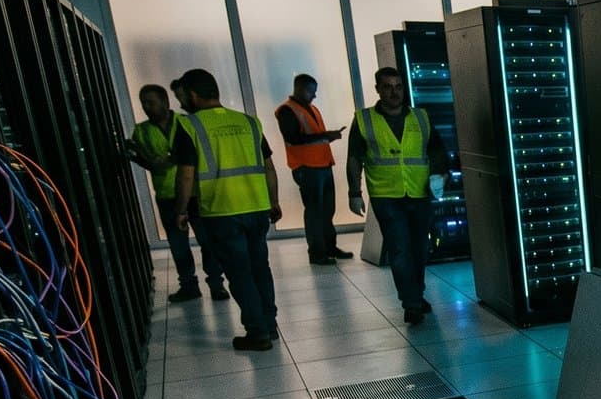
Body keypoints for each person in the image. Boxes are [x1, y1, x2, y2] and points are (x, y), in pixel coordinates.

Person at [169, 69, 282, 352]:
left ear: (193, 94)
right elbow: (268, 166)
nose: (181, 103)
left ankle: (257, 333)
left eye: (183, 96)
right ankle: (269, 324)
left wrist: (181, 210)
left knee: (240, 272)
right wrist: (274, 201)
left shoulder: (189, 126)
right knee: (260, 268)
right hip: (256, 207)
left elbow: (185, 173)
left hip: (221, 210)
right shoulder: (249, 122)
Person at [348, 66, 451, 325]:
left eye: (398, 86)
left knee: (418, 248)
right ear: (378, 90)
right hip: (386, 195)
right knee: (399, 248)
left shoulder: (420, 117)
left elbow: (437, 148)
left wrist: (439, 174)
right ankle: (411, 302)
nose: (394, 92)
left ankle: (417, 293)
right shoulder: (365, 119)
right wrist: (354, 192)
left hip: (418, 193)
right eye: (388, 87)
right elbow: (354, 157)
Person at [125, 83, 225, 303]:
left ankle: (217, 284)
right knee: (178, 245)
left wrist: (170, 159)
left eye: (150, 101)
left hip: (194, 192)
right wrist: (146, 160)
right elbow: (149, 162)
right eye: (143, 103)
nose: (146, 107)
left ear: (165, 101)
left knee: (207, 241)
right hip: (167, 195)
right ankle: (189, 285)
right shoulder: (141, 131)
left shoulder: (186, 122)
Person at [275, 73, 347, 265]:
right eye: (311, 91)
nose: (314, 96)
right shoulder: (286, 111)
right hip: (306, 167)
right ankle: (317, 252)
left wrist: (326, 137)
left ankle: (329, 247)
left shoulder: (311, 109)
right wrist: (325, 136)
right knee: (315, 212)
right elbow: (292, 138)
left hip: (323, 165)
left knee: (327, 210)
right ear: (299, 88)